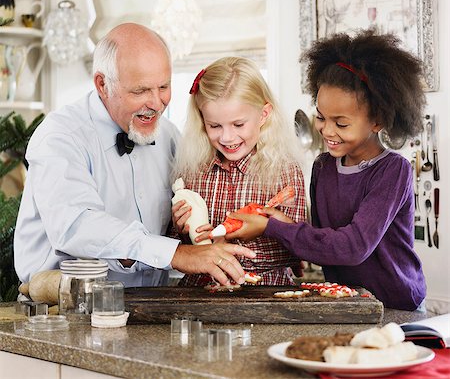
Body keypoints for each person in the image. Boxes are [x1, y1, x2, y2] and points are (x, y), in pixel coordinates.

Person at [14, 23, 255, 288]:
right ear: (102, 84)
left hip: (150, 310)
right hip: (62, 311)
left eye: (163, 86)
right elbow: (76, 225)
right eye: (140, 91)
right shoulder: (60, 136)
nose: (156, 103)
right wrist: (175, 253)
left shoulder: (169, 137)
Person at [219, 30, 427, 311]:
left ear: (377, 121)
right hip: (344, 301)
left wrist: (272, 227)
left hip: (394, 304)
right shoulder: (323, 166)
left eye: (341, 124)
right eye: (320, 117)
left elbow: (352, 247)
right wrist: (283, 223)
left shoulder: (393, 171)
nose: (327, 131)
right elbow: (323, 239)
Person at [171, 56, 307, 286]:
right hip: (201, 293)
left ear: (264, 115)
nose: (227, 137)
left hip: (266, 294)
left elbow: (297, 250)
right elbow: (176, 250)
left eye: (238, 124)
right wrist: (182, 229)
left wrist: (226, 250)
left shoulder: (285, 171)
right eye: (214, 126)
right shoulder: (192, 169)